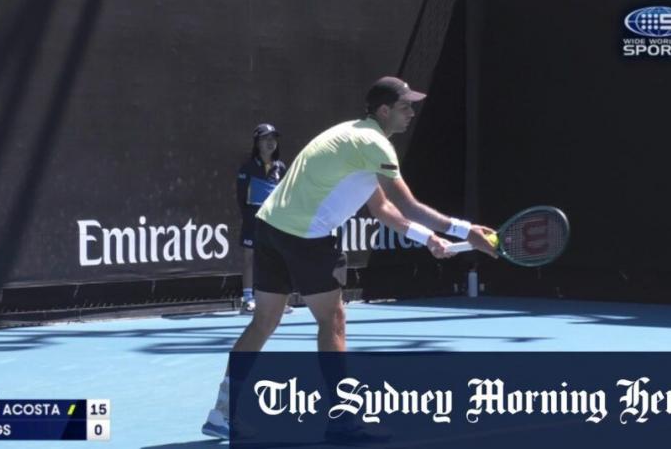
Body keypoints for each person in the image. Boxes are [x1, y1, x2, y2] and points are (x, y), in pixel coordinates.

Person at [201, 76, 497, 439]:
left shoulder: (352, 136)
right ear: (384, 110)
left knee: (264, 321)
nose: (411, 113)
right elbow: (407, 204)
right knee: (333, 319)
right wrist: (466, 230)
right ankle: (343, 420)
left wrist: (429, 239)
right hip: (304, 237)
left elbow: (383, 209)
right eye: (405, 107)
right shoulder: (374, 144)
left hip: (270, 229)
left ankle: (222, 411)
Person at [235, 123, 292, 315]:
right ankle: (248, 299)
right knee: (249, 257)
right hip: (253, 218)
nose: (271, 142)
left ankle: (277, 300)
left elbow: (285, 194)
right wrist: (250, 216)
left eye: (273, 139)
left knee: (277, 259)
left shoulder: (280, 167)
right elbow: (241, 198)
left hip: (275, 221)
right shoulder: (248, 168)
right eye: (266, 139)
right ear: (257, 143)